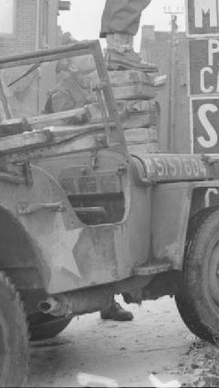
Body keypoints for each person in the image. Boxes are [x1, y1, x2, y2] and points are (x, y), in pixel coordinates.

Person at [43, 56, 135, 322]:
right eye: (80, 63)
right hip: (76, 167)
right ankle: (102, 301)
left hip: (92, 164)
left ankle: (108, 301)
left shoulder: (80, 87)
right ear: (70, 66)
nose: (86, 67)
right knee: (95, 228)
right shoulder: (63, 92)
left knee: (107, 221)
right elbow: (63, 131)